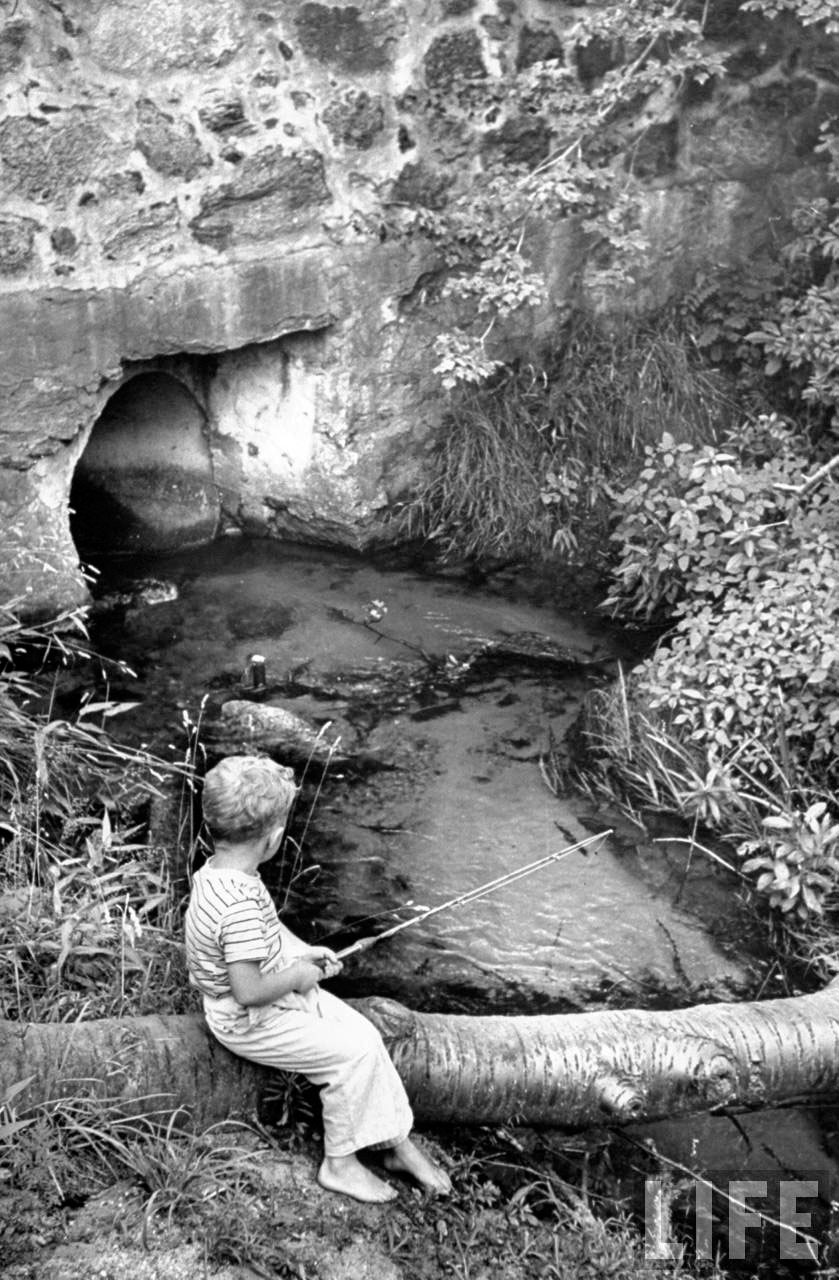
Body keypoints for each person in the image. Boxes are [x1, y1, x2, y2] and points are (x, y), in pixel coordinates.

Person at [184, 753, 452, 1204]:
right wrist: (295, 976)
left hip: (268, 992)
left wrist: (300, 952)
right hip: (246, 1018)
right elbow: (248, 991)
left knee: (365, 1034)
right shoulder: (238, 905)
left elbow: (265, 932)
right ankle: (340, 1165)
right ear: (272, 838)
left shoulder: (224, 875)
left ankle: (392, 1143)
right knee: (351, 1056)